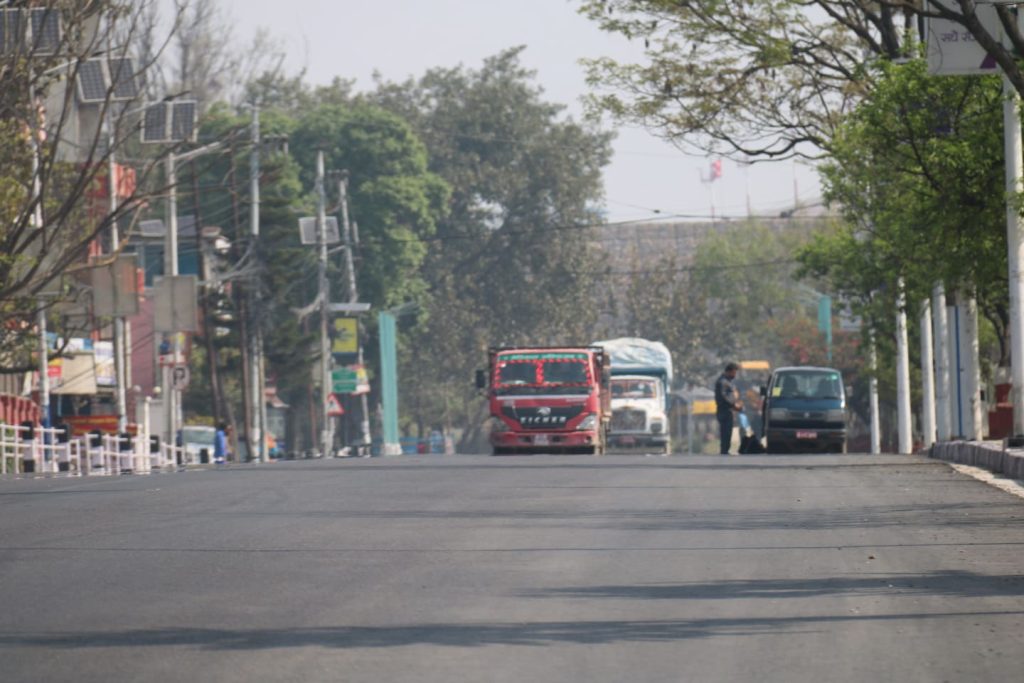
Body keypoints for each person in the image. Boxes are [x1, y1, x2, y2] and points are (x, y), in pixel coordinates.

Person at [714, 362, 743, 455]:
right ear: (729, 371)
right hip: (724, 411)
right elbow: (723, 397)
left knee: (727, 432)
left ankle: (725, 450)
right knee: (725, 432)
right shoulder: (722, 382)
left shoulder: (727, 382)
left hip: (728, 411)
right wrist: (733, 405)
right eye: (734, 373)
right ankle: (724, 451)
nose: (734, 375)